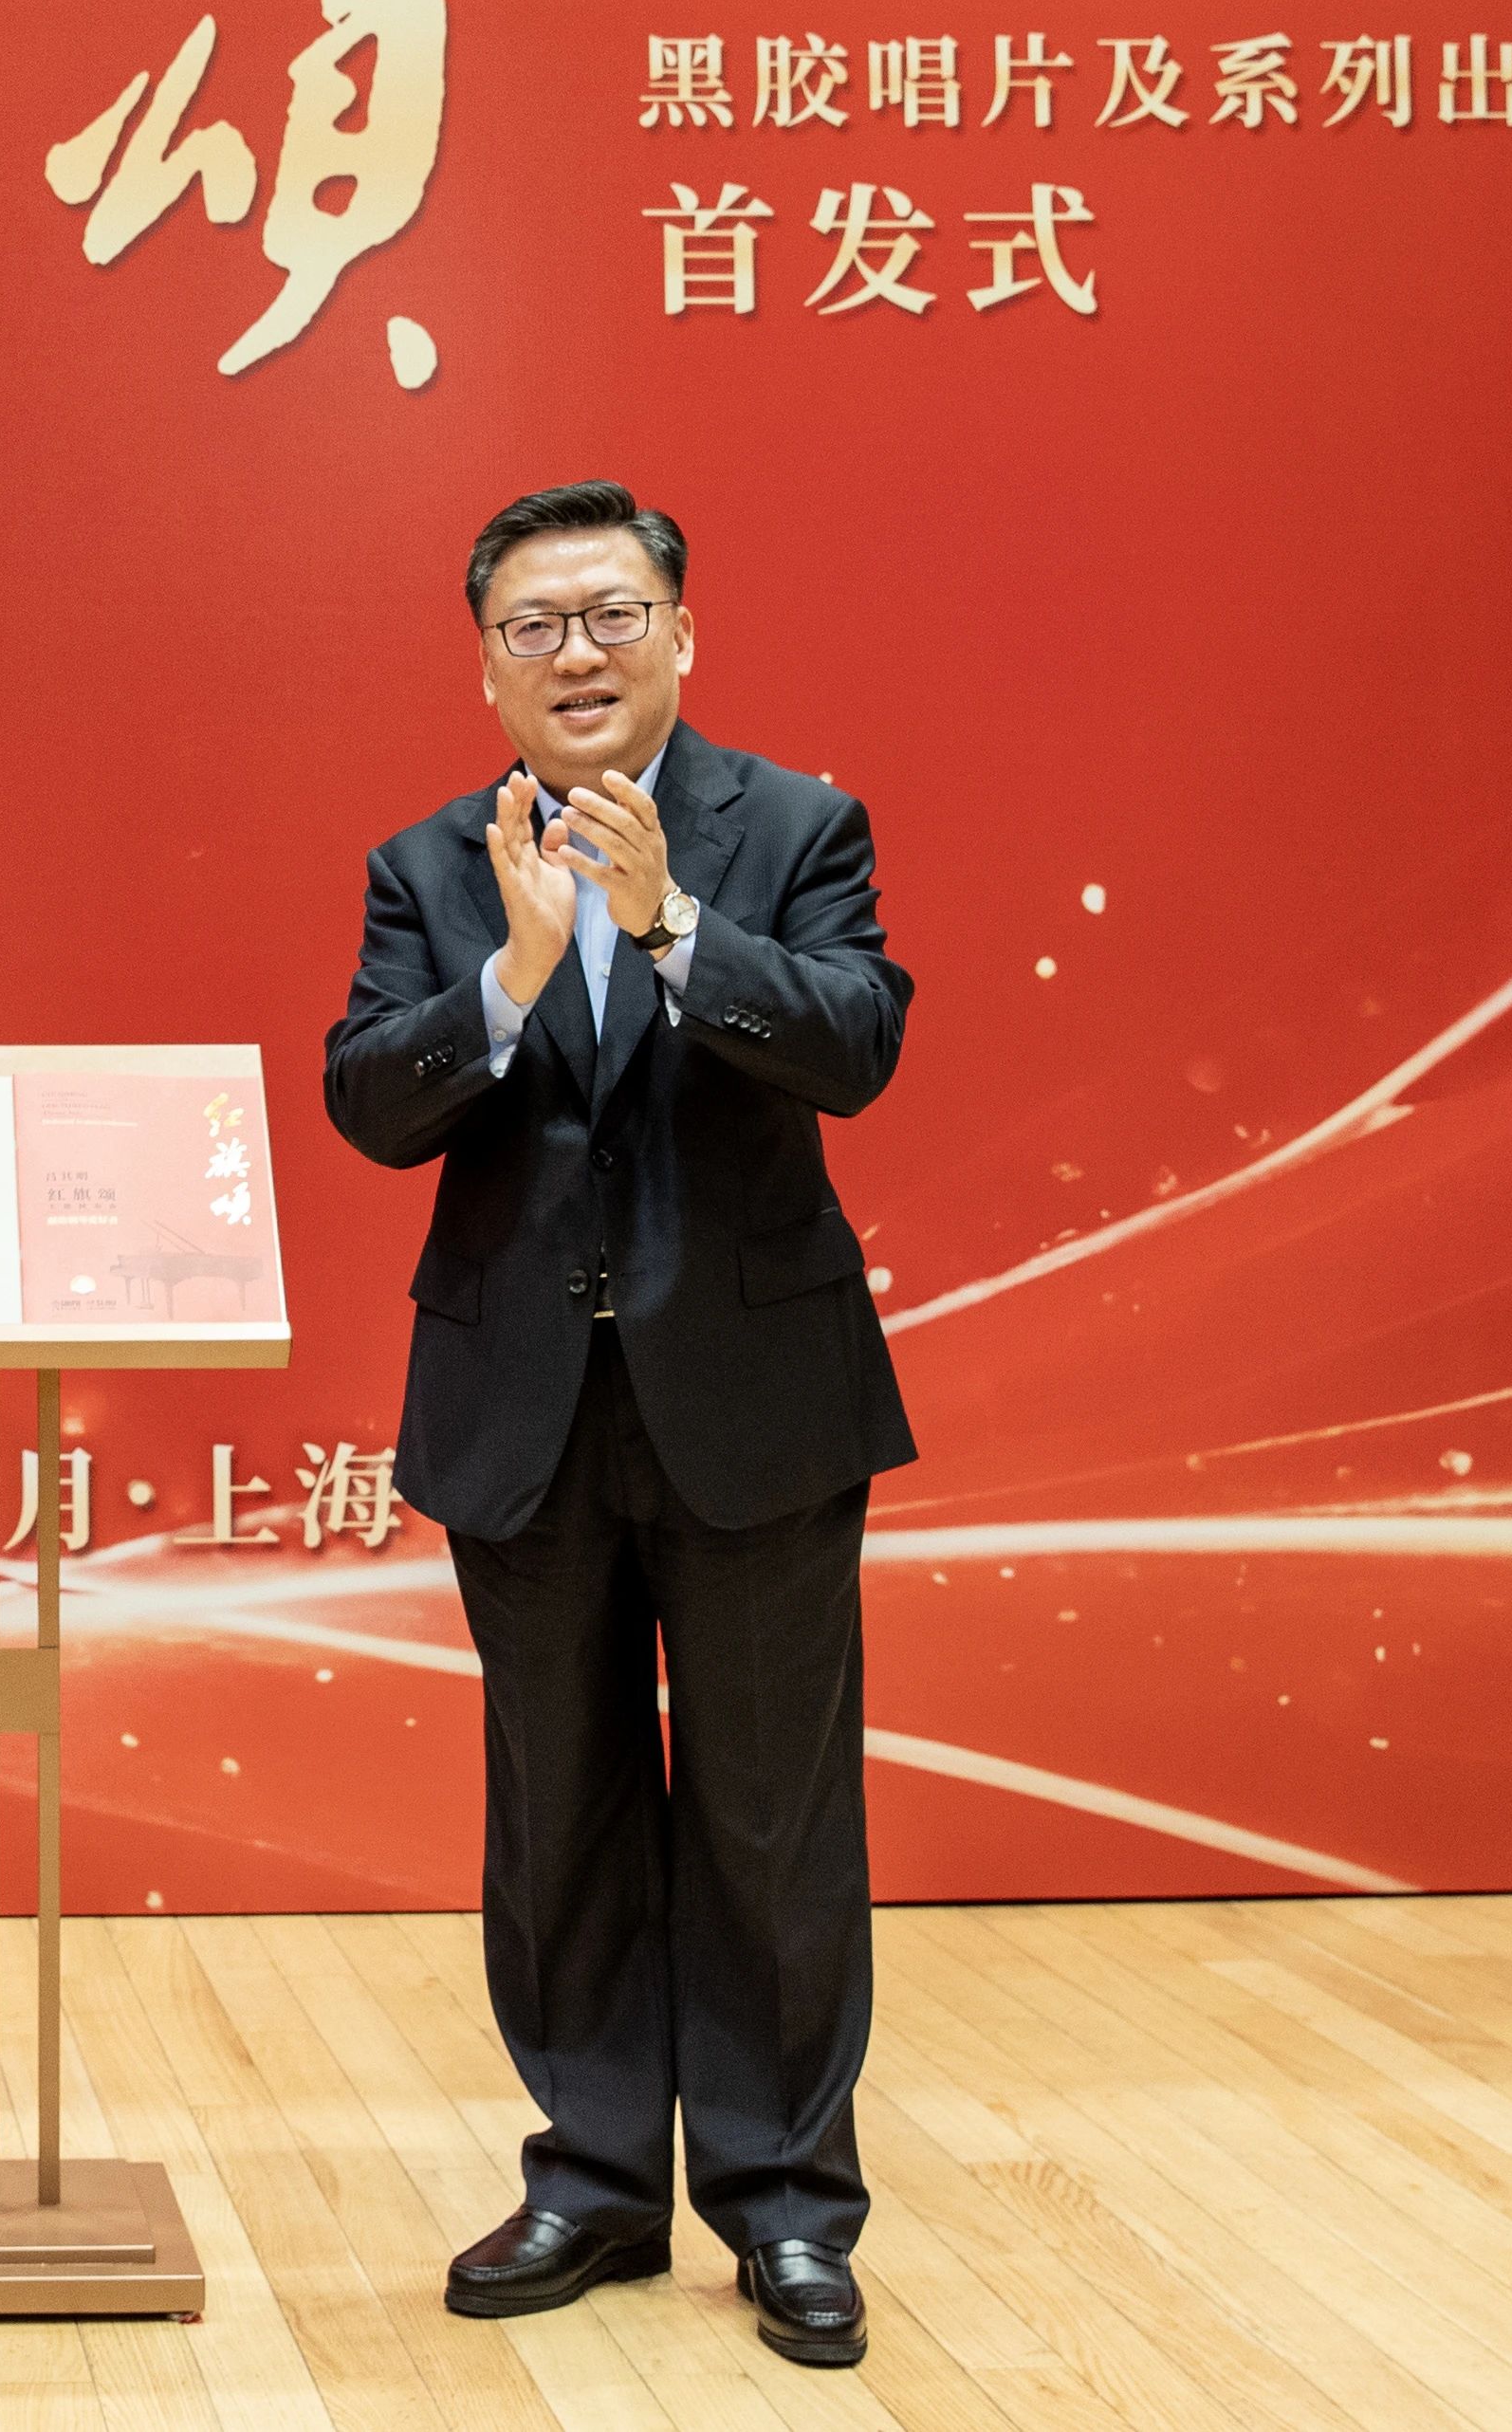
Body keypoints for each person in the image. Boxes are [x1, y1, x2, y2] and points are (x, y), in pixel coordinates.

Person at [322, 480, 913, 2370]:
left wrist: (668, 929)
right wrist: (505, 975)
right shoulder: (431, 861)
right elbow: (366, 1102)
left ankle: (783, 2201)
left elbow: (852, 1044)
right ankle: (588, 2178)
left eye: (607, 616)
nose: (572, 654)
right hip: (524, 1414)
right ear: (485, 665)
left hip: (750, 1406)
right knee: (556, 1810)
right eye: (531, 626)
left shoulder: (791, 826)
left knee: (768, 1819)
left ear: (677, 634)